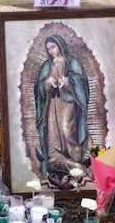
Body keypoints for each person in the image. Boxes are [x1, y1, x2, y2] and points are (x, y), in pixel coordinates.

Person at [33, 35, 90, 188]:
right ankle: (59, 162)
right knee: (53, 135)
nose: (51, 51)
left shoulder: (73, 63)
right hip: (52, 104)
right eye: (48, 49)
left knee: (67, 131)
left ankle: (75, 160)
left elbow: (81, 85)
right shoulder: (47, 65)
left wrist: (69, 82)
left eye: (53, 47)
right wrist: (47, 83)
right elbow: (39, 87)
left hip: (68, 103)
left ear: (60, 45)